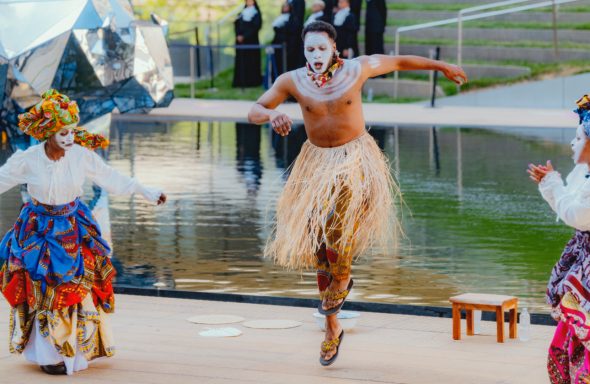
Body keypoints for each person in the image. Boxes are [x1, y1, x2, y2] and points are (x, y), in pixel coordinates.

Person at [247, 21, 467, 366]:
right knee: (318, 245)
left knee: (339, 229)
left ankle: (345, 279)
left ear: (334, 48)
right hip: (316, 162)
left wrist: (441, 66)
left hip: (354, 159)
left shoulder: (357, 69)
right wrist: (272, 115)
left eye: (321, 48)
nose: (315, 55)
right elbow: (254, 109)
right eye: (309, 49)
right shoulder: (293, 80)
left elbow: (400, 62)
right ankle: (331, 327)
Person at [0, 89, 167, 375]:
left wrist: (147, 192)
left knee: (77, 288)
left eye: (72, 131)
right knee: (42, 289)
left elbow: (111, 177)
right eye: (62, 132)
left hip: (72, 229)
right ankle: (49, 353)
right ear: (48, 131)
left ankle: (75, 351)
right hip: (38, 230)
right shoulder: (28, 159)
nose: (69, 138)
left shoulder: (80, 156)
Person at [528, 95, 590, 383]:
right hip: (584, 259)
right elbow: (571, 208)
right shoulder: (585, 174)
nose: (572, 144)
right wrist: (550, 183)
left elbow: (577, 214)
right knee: (573, 334)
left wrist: (552, 183)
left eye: (578, 137)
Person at [233, 0, 263, 88]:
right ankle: (240, 82)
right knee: (241, 62)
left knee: (251, 62)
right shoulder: (241, 13)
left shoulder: (256, 13)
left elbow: (256, 27)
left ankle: (252, 82)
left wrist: (245, 36)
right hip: (240, 42)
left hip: (251, 41)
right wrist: (238, 35)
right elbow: (236, 24)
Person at [271, 2, 295, 81]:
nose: (285, 8)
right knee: (276, 61)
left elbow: (290, 30)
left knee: (285, 62)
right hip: (277, 42)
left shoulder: (292, 18)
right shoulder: (280, 17)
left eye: (287, 6)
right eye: (284, 7)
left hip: (286, 43)